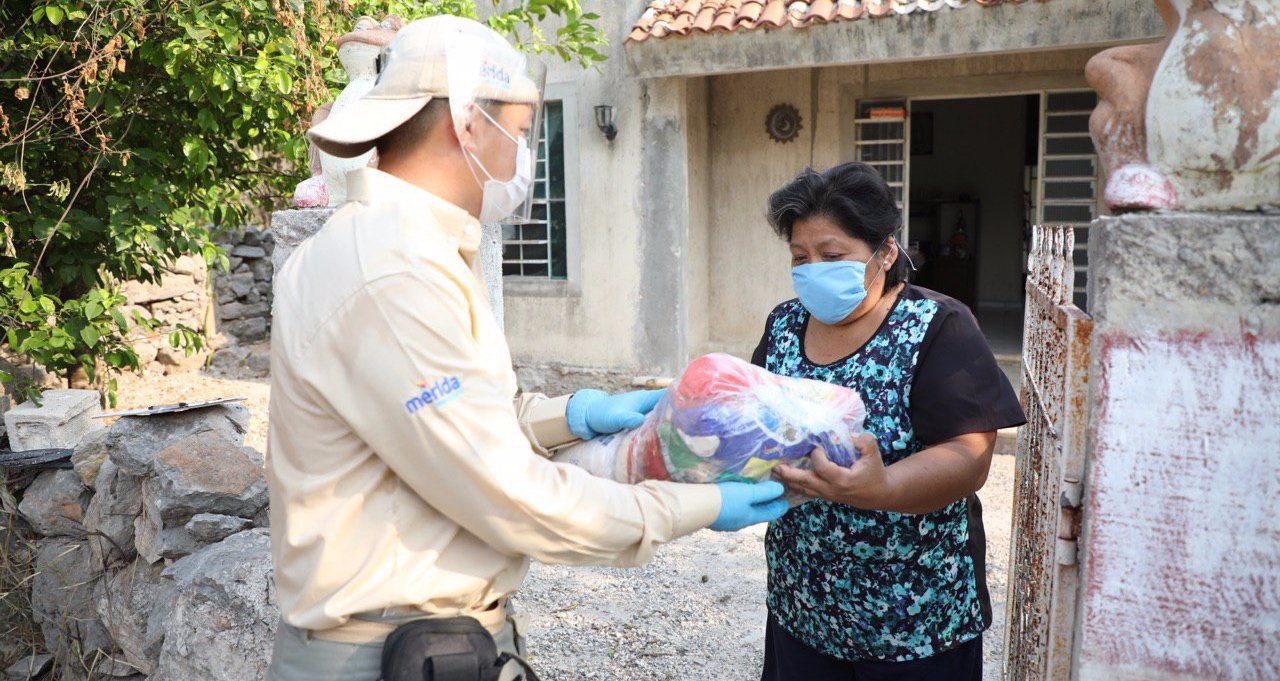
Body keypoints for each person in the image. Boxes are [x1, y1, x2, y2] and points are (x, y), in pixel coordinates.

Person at [264, 15, 788, 681]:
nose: (523, 154)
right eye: (518, 129)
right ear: (467, 123)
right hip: (382, 655)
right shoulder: (393, 272)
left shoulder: (395, 247)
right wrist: (693, 505)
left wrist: (569, 415)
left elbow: (438, 430)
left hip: (427, 645)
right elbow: (508, 493)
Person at [750, 162, 1027, 681]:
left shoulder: (937, 326)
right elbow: (755, 413)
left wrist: (885, 486)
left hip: (913, 620)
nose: (813, 270)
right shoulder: (785, 324)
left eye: (832, 256)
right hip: (802, 603)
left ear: (885, 251)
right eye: (800, 257)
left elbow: (970, 456)